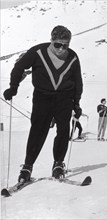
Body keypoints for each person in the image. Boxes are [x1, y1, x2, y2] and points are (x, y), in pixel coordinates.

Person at [3, 25, 83, 181]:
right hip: (42, 97)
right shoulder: (37, 52)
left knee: (63, 130)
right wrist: (13, 88)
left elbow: (78, 81)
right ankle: (27, 167)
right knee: (38, 131)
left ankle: (58, 164)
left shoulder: (72, 57)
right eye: (57, 44)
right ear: (51, 40)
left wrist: (76, 103)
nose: (61, 49)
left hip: (64, 98)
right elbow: (19, 67)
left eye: (65, 45)